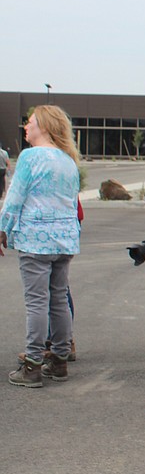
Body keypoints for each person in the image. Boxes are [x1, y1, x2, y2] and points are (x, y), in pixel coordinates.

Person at [1, 106, 82, 387]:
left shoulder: (30, 157)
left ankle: (32, 364)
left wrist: (3, 229)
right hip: (64, 239)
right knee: (58, 299)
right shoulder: (68, 160)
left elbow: (14, 198)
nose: (26, 126)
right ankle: (59, 360)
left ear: (44, 127)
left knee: (37, 302)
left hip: (36, 239)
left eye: (30, 122)